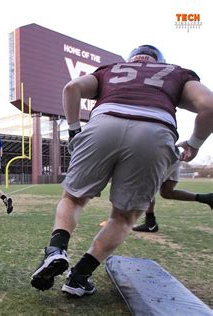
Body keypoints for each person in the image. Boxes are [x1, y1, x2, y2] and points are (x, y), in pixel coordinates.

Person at [30, 45, 213, 297]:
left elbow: (71, 88)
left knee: (73, 198)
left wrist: (74, 130)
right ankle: (79, 276)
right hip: (155, 129)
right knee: (124, 217)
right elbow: (209, 106)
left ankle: (56, 250)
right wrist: (194, 144)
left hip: (104, 122)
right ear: (159, 61)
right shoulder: (176, 73)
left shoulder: (111, 70)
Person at [133, 159, 213, 232]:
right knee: (167, 192)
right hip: (174, 156)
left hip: (160, 156)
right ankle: (207, 198)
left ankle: (150, 223)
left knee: (146, 188)